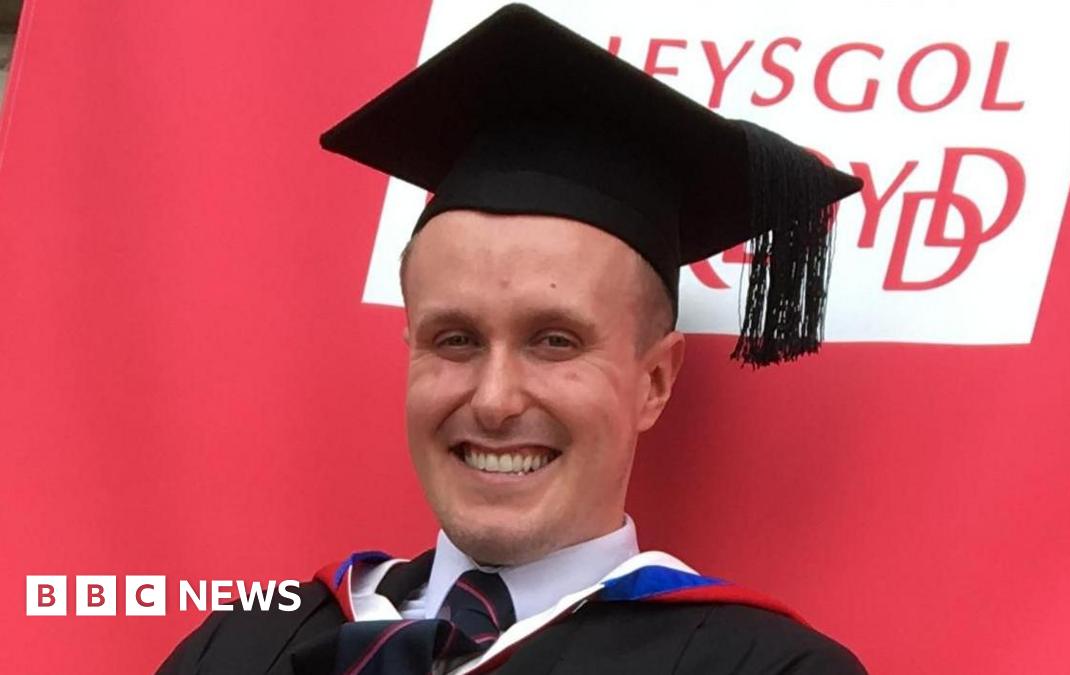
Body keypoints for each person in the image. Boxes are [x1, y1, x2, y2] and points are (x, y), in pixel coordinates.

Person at [158, 4, 868, 674]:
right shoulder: (246, 646)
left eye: (554, 340)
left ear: (654, 380)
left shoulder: (761, 666)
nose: (494, 400)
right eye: (456, 338)